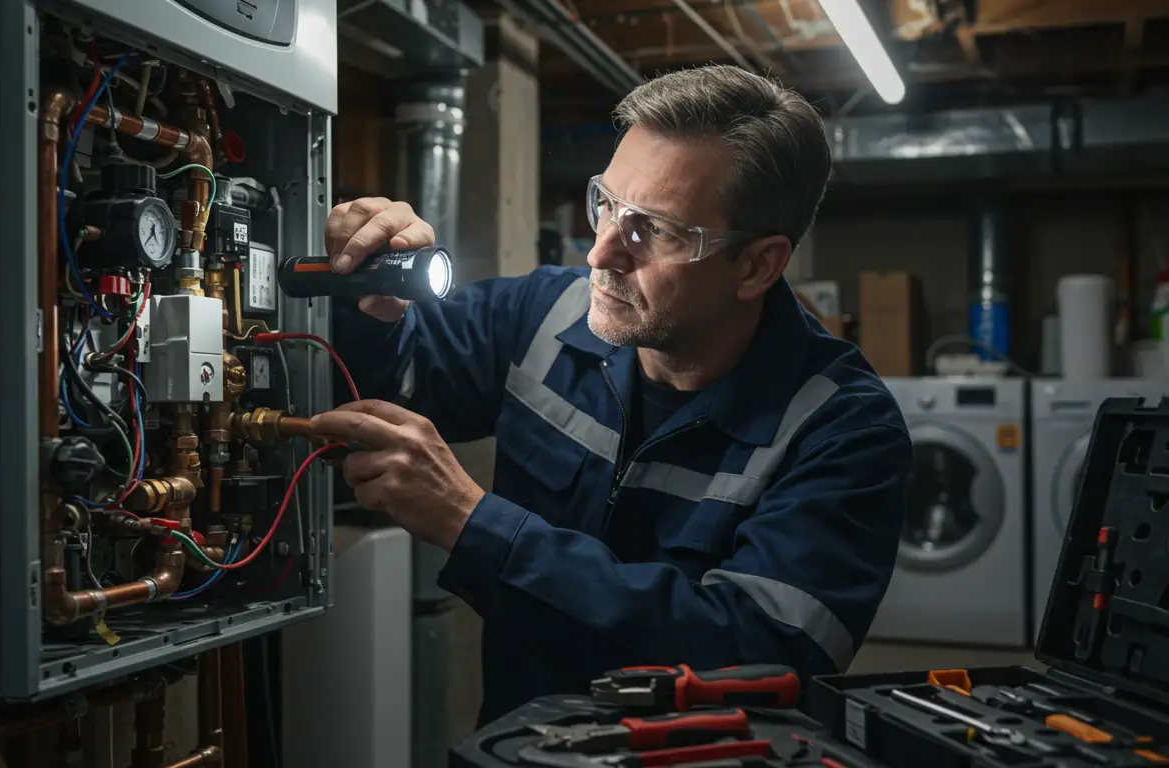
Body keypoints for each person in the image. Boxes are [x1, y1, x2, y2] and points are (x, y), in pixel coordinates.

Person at [308, 65, 913, 725]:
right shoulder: (543, 314)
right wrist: (367, 302)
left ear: (759, 265)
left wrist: (474, 526)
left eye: (654, 231)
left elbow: (755, 658)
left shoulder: (843, 430)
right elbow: (371, 385)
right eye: (607, 203)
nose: (601, 253)